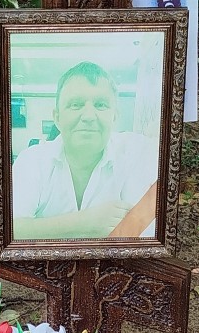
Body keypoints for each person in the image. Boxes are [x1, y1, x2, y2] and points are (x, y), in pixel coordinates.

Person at [12, 59, 158, 240]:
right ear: (57, 117)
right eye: (76, 104)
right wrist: (84, 223)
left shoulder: (136, 152)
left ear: (114, 116)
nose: (89, 116)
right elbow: (9, 229)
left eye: (101, 105)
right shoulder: (32, 160)